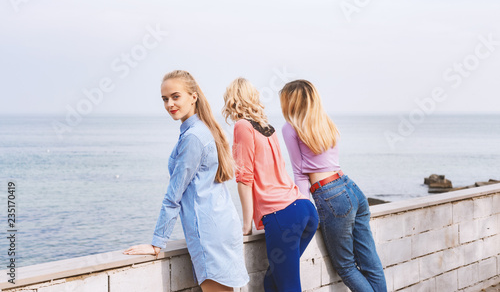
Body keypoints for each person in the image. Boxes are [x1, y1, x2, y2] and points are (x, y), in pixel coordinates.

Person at [124, 70, 249, 292]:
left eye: (175, 96)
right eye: (164, 99)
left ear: (193, 96)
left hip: (209, 232)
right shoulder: (205, 129)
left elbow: (174, 195)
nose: (169, 104)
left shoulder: (193, 137)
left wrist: (157, 243)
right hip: (223, 223)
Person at [279, 80, 387, 292]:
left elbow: (300, 172)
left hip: (330, 195)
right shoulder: (325, 122)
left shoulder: (290, 127)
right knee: (370, 263)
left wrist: (303, 210)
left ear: (289, 102)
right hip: (351, 188)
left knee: (346, 266)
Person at [222, 77, 319, 292]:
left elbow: (244, 178)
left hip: (282, 215)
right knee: (272, 282)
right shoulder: (269, 128)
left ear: (233, 100)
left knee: (288, 287)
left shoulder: (242, 126)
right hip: (304, 209)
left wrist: (246, 224)